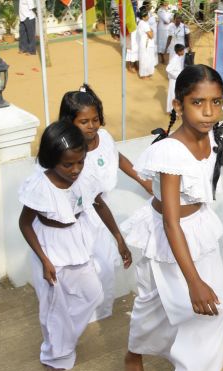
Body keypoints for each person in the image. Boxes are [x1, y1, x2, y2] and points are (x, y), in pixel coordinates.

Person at [122, 64, 223, 371]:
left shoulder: (216, 138)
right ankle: (136, 357)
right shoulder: (170, 151)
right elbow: (171, 221)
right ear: (178, 104)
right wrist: (194, 281)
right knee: (161, 306)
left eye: (216, 102)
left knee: (218, 308)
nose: (208, 111)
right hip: (169, 236)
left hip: (200, 229)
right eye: (198, 102)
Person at [18, 121, 104, 371]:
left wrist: (118, 238)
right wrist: (44, 260)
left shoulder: (84, 177)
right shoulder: (39, 186)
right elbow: (24, 224)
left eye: (80, 162)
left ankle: (64, 340)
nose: (75, 169)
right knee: (53, 305)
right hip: (49, 247)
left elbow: (98, 203)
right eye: (68, 164)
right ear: (52, 160)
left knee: (93, 294)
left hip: (76, 241)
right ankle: (55, 354)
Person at [58, 84, 138, 321]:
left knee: (104, 270)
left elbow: (115, 157)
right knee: (78, 276)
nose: (92, 126)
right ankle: (74, 320)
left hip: (100, 218)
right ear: (70, 122)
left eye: (95, 120)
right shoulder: (67, 155)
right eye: (84, 122)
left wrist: (142, 179)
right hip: (73, 222)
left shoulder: (104, 138)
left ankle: (94, 317)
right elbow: (91, 199)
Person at [166, 43, 185, 113]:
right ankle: (171, 111)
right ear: (179, 51)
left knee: (177, 96)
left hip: (178, 81)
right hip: (173, 81)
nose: (183, 52)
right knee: (172, 95)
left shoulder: (179, 58)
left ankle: (176, 111)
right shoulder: (174, 59)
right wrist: (177, 76)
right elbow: (168, 69)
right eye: (182, 51)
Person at [137, 9, 156, 79]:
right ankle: (144, 74)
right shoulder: (144, 24)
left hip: (144, 43)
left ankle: (146, 73)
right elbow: (151, 36)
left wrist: (151, 31)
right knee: (146, 59)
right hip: (146, 44)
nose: (148, 17)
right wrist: (151, 31)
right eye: (147, 15)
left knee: (145, 58)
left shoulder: (141, 23)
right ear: (143, 17)